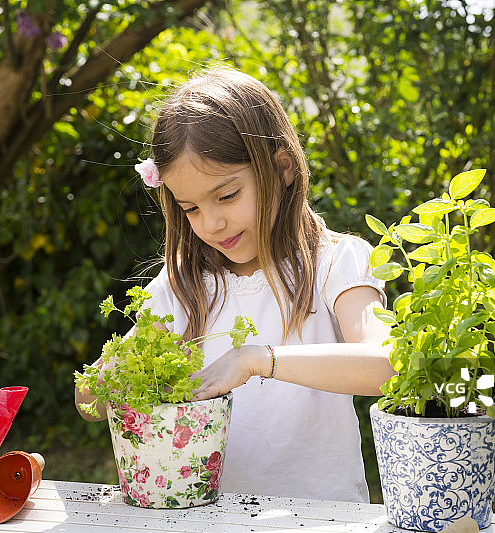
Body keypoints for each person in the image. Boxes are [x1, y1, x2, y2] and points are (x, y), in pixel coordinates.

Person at [75, 66, 395, 503]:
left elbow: (387, 365)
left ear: (282, 168)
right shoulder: (185, 284)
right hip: (206, 518)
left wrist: (255, 359)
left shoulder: (335, 262)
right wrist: (104, 382)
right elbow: (90, 400)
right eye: (190, 208)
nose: (211, 223)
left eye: (227, 196)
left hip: (322, 519)